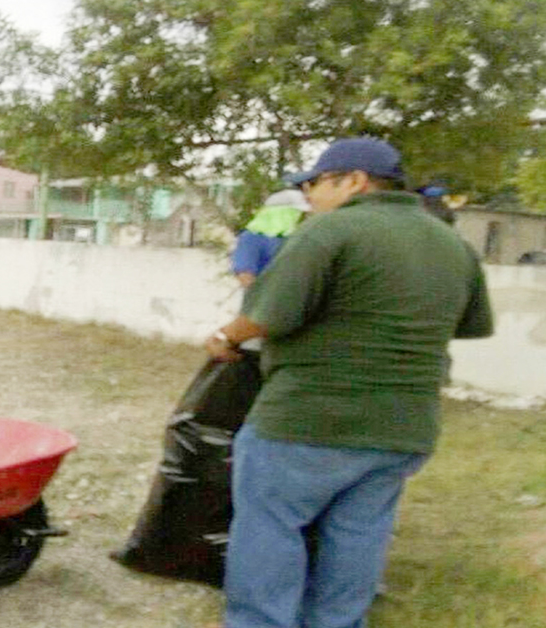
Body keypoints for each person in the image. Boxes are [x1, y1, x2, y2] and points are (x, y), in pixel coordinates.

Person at [203, 138, 494, 628]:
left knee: (271, 527)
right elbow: (472, 324)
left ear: (354, 180)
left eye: (314, 184)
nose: (309, 197)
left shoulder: (330, 231)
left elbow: (263, 316)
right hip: (404, 425)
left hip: (308, 420)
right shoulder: (451, 243)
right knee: (359, 533)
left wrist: (220, 337)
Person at [230, 189, 310, 288]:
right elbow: (245, 274)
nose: (300, 217)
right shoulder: (252, 237)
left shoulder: (297, 237)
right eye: (297, 212)